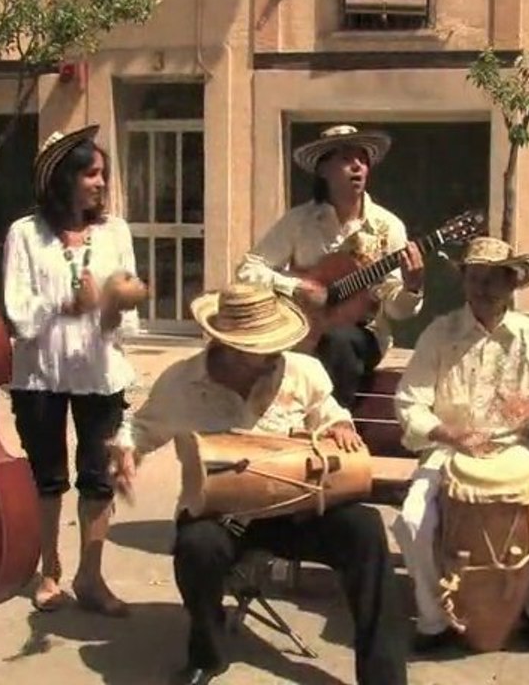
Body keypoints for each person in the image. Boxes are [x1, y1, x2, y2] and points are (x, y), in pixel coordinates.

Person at [119, 283, 407, 685]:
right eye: (263, 346)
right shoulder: (181, 382)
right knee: (196, 546)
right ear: (230, 345)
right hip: (219, 514)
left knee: (365, 529)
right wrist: (124, 453)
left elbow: (329, 412)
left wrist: (339, 423)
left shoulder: (302, 370)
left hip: (296, 509)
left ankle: (383, 677)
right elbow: (139, 429)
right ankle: (207, 652)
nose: (275, 353)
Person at [392, 236, 529, 659]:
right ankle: (433, 620)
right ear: (463, 280)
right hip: (448, 450)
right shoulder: (439, 334)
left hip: (514, 452)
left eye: (496, 279)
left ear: (513, 283)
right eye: (476, 277)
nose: (484, 287)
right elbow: (410, 403)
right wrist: (453, 435)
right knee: (410, 523)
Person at [2, 123, 146, 617]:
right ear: (63, 179)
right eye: (91, 174)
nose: (101, 183)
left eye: (102, 174)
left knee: (98, 478)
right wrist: (67, 302)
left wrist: (112, 304)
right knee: (47, 479)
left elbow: (126, 314)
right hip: (40, 375)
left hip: (99, 373)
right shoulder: (24, 233)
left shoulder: (116, 231)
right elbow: (18, 314)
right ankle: (48, 571)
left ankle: (91, 576)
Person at [236, 124, 424, 409]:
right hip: (302, 327)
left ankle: (337, 421)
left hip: (362, 336)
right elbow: (248, 270)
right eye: (346, 158)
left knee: (339, 340)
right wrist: (296, 287)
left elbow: (398, 311)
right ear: (323, 170)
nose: (358, 166)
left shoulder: (388, 227)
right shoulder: (299, 221)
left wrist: (412, 286)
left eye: (362, 159)